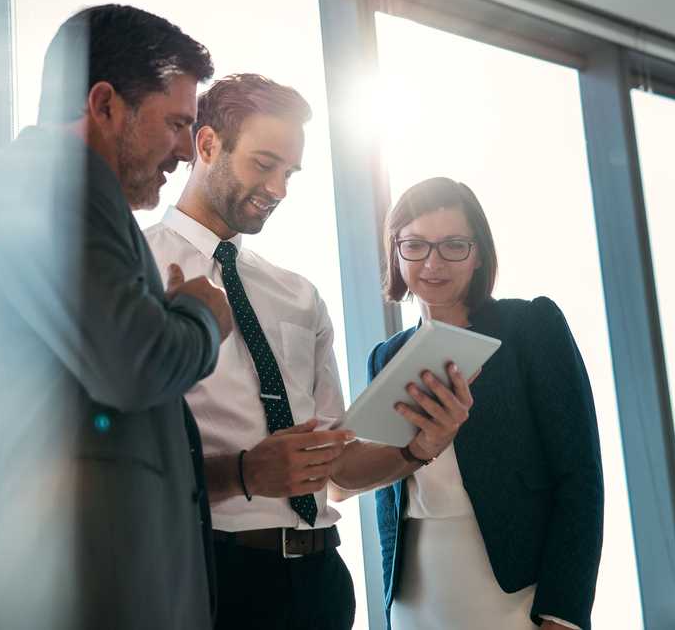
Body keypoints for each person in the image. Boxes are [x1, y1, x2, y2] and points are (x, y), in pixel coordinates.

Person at [0, 5, 234, 630]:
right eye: (173, 123)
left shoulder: (55, 192)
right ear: (104, 104)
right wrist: (202, 313)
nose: (181, 151)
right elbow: (135, 362)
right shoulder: (50, 182)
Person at [144, 74, 469, 630]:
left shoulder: (298, 295)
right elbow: (124, 457)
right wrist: (245, 473)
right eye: (264, 163)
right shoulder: (136, 267)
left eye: (289, 173)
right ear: (206, 145)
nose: (279, 189)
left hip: (322, 581)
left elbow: (336, 464)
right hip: (212, 574)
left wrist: (420, 449)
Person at [369, 177, 605, 630]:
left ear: (478, 254)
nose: (433, 262)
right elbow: (389, 499)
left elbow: (580, 479)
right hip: (416, 594)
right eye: (415, 245)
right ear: (396, 252)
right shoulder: (385, 357)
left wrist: (563, 614)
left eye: (453, 245)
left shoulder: (530, 326)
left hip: (517, 593)